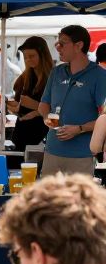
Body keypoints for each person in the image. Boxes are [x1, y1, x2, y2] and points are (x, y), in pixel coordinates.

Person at [37, 24, 106, 175]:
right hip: (52, 151)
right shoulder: (56, 72)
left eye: (62, 43)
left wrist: (79, 129)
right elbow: (43, 105)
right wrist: (47, 117)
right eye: (57, 43)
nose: (58, 48)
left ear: (79, 45)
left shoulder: (99, 76)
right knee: (47, 191)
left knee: (78, 192)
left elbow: (104, 118)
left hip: (82, 155)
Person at [6, 36, 52, 152]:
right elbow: (20, 107)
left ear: (42, 55)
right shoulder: (24, 78)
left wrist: (36, 107)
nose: (27, 60)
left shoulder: (53, 78)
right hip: (21, 136)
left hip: (42, 138)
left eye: (31, 56)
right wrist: (14, 107)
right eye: (25, 57)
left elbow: (58, 111)